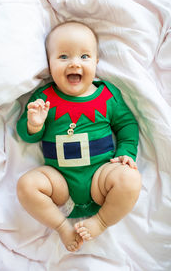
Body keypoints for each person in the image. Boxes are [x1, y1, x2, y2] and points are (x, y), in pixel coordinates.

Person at [16, 21, 142, 252]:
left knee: (131, 178)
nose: (75, 62)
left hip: (100, 180)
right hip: (60, 183)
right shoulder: (45, 97)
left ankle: (101, 221)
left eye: (84, 56)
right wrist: (34, 124)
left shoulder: (107, 95)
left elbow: (126, 125)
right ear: (49, 63)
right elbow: (27, 135)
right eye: (63, 56)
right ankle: (62, 226)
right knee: (27, 185)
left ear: (96, 61)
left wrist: (126, 152)